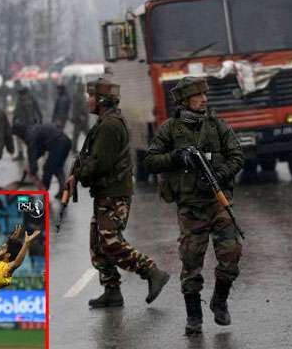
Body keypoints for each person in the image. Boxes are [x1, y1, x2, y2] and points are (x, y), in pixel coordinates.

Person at [144, 77, 244, 335]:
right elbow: (151, 160)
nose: (204, 99)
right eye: (198, 96)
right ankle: (194, 316)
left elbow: (237, 156)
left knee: (231, 254)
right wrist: (177, 157)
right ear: (185, 100)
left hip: (218, 202)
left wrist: (221, 173)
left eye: (204, 95)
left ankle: (219, 301)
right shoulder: (170, 129)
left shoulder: (217, 125)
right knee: (191, 261)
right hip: (190, 207)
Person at [70, 78, 170, 309]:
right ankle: (112, 291)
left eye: (91, 96)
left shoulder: (109, 125)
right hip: (107, 191)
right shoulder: (106, 121)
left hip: (114, 192)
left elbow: (99, 163)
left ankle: (152, 272)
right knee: (98, 244)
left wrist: (80, 175)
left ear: (102, 100)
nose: (88, 100)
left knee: (110, 241)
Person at [12, 123, 71, 194]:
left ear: (19, 133)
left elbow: (32, 152)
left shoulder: (30, 135)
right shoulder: (32, 130)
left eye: (17, 136)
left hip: (59, 143)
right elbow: (40, 150)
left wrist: (32, 169)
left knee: (48, 168)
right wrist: (30, 164)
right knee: (57, 168)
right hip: (66, 142)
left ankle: (44, 191)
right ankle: (63, 191)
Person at [12, 83, 43, 160]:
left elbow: (37, 109)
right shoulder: (22, 99)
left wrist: (39, 118)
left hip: (28, 123)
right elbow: (17, 111)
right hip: (23, 123)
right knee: (21, 138)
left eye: (21, 92)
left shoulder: (29, 99)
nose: (20, 94)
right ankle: (22, 153)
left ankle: (29, 153)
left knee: (28, 139)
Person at [70, 80, 89, 153]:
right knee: (76, 135)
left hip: (84, 119)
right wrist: (79, 116)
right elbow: (75, 108)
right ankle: (74, 150)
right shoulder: (76, 95)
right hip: (79, 119)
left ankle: (92, 148)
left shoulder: (83, 95)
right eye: (83, 87)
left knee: (88, 134)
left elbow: (85, 106)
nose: (84, 88)